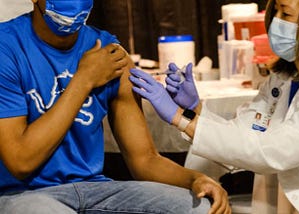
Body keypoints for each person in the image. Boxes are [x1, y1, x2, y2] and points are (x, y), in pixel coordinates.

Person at [0, 0, 232, 213]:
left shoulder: (110, 54)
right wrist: (84, 79)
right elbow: (21, 161)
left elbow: (144, 160)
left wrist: (195, 179)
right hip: (25, 195)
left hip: (96, 191)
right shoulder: (6, 47)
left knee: (201, 209)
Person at [129, 0, 299, 213]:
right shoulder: (282, 80)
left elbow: (270, 151)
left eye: (286, 14)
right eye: (275, 11)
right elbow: (243, 133)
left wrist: (180, 118)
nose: (275, 22)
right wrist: (195, 109)